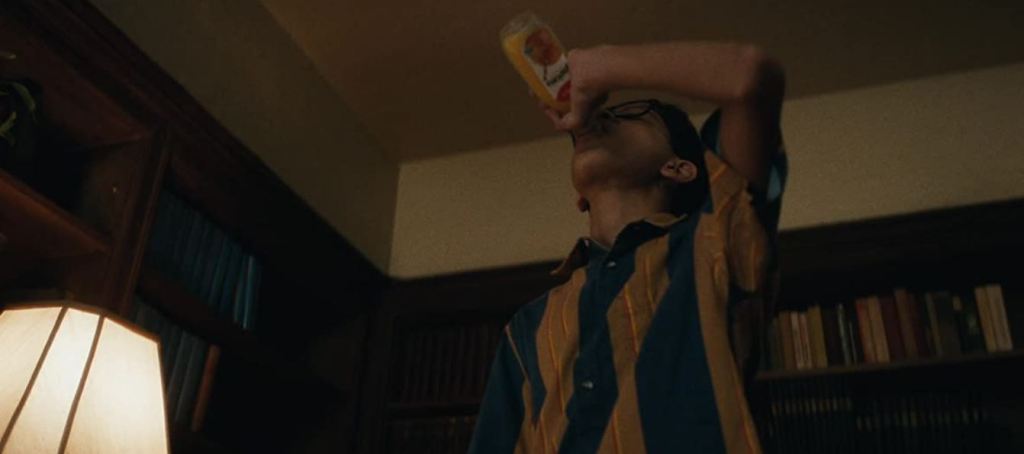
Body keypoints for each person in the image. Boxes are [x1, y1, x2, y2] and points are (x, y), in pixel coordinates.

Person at [468, 41, 787, 454]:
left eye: (628, 114)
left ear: (678, 167)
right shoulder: (528, 326)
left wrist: (599, 67)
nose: (597, 120)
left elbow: (751, 77)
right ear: (579, 197)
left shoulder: (712, 242)